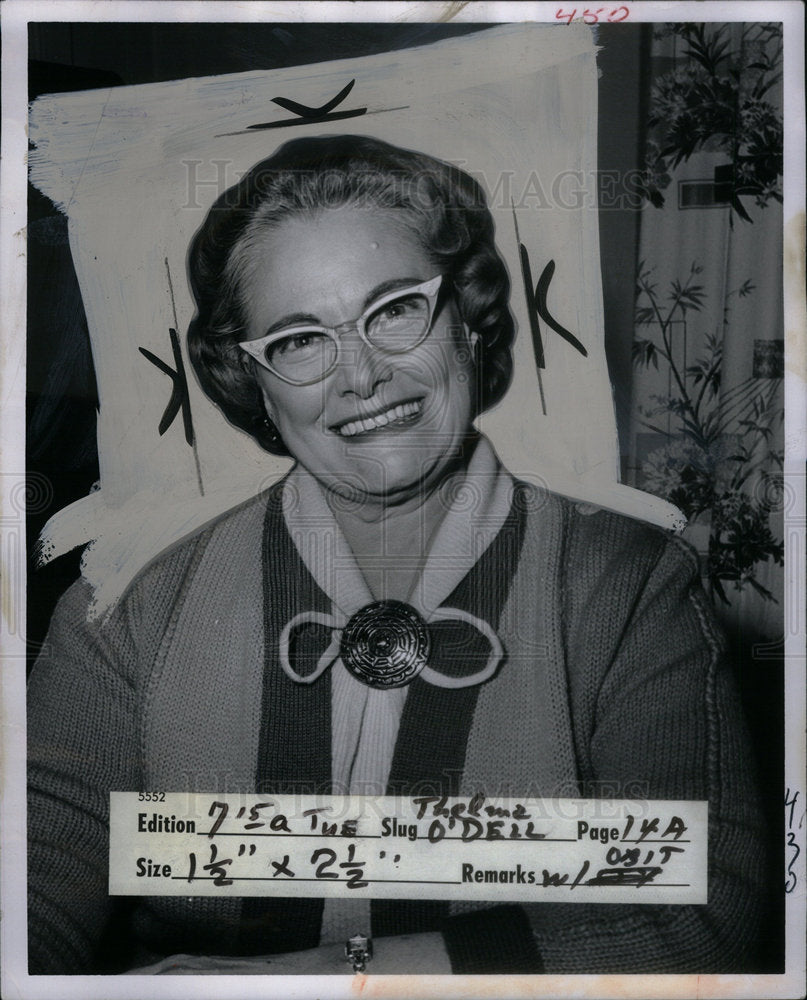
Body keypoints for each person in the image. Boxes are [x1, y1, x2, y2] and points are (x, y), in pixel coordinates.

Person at [27, 135, 766, 976]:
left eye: (395, 311)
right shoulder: (126, 605)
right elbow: (34, 874)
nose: (362, 376)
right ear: (253, 383)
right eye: (300, 340)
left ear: (468, 322)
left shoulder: (627, 585)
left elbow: (699, 902)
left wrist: (311, 982)